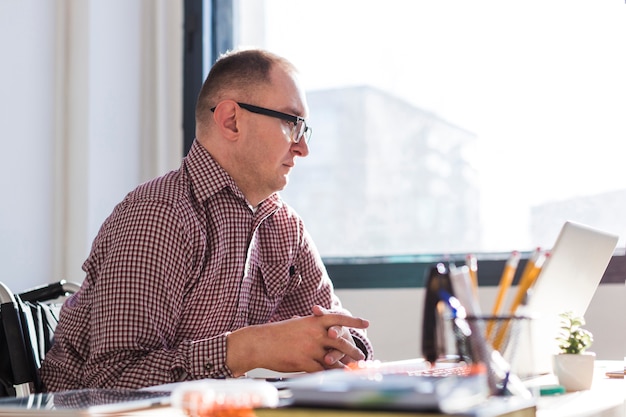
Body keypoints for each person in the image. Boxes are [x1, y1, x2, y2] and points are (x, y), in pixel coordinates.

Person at [40, 48, 373, 392]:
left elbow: (353, 344)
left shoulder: (285, 227)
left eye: (306, 129)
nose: (303, 147)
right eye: (291, 123)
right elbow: (111, 384)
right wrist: (249, 348)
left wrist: (340, 345)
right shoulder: (159, 215)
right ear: (231, 120)